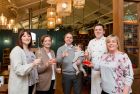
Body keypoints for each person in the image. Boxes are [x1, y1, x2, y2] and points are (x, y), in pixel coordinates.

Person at [8, 30, 41, 94]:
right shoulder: (16, 50)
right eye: (24, 36)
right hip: (21, 85)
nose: (27, 38)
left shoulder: (30, 51)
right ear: (20, 38)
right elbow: (18, 69)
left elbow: (34, 68)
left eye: (29, 36)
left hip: (31, 83)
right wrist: (33, 64)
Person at [85, 24, 107, 94]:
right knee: (95, 89)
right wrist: (86, 55)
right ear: (94, 32)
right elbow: (88, 58)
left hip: (105, 69)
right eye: (96, 30)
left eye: (100, 30)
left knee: (105, 88)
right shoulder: (91, 42)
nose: (98, 31)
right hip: (94, 69)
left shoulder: (107, 40)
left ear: (103, 31)